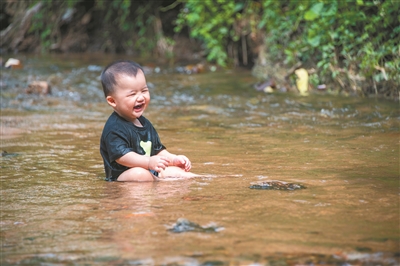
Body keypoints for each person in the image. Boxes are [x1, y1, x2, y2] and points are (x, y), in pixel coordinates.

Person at [100, 60, 196, 182]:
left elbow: (158, 151)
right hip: (121, 176)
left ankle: (203, 180)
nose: (140, 97)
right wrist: (148, 162)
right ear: (112, 101)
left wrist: (174, 159)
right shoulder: (114, 127)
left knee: (177, 172)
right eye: (132, 94)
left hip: (149, 170)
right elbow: (122, 157)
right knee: (139, 174)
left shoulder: (145, 124)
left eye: (144, 91)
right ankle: (162, 183)